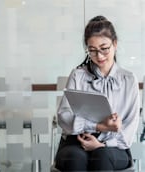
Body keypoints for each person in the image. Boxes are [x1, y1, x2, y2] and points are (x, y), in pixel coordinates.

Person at [55, 15, 140, 171]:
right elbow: (63, 116)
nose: (99, 56)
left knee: (102, 155)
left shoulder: (129, 80)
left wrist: (102, 144)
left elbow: (130, 127)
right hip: (77, 141)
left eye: (104, 48)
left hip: (114, 146)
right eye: (92, 51)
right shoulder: (78, 75)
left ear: (115, 44)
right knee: (74, 157)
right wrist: (99, 126)